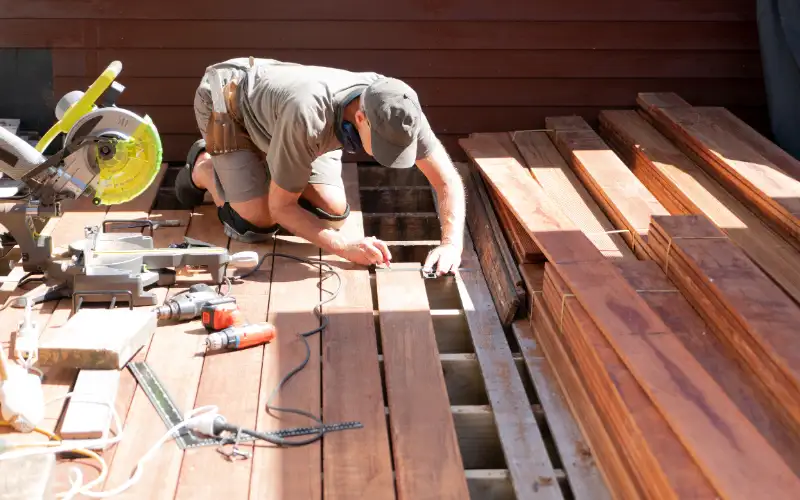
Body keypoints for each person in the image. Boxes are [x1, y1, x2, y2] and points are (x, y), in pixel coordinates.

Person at [175, 57, 465, 275]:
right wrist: (344, 248)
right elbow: (282, 209)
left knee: (332, 213)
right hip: (228, 100)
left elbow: (446, 180)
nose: (387, 156)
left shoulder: (400, 106)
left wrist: (451, 245)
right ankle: (205, 169)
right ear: (361, 119)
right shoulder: (309, 116)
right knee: (256, 222)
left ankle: (271, 165)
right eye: (382, 146)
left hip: (285, 117)